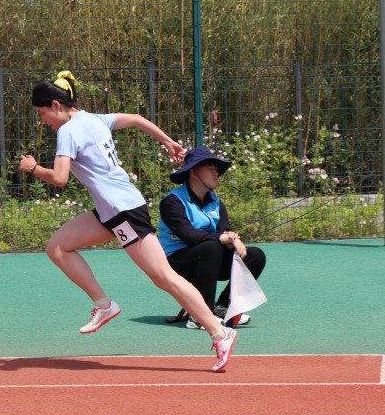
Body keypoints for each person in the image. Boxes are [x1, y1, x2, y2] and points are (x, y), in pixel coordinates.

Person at [18, 71, 237, 372]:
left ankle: (219, 332)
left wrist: (33, 168)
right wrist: (168, 142)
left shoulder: (67, 131)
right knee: (57, 247)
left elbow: (59, 178)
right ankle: (104, 305)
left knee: (164, 277)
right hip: (110, 211)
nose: (43, 120)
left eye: (42, 113)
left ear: (56, 105)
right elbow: (135, 118)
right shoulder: (95, 119)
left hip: (123, 212)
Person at [157, 146, 266, 329]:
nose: (216, 173)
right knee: (212, 247)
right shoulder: (172, 202)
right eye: (210, 169)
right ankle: (200, 315)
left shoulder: (215, 201)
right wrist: (223, 239)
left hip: (209, 258)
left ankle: (223, 307)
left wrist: (232, 240)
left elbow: (223, 232)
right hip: (175, 262)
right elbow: (189, 236)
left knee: (255, 256)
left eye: (216, 169)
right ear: (193, 172)